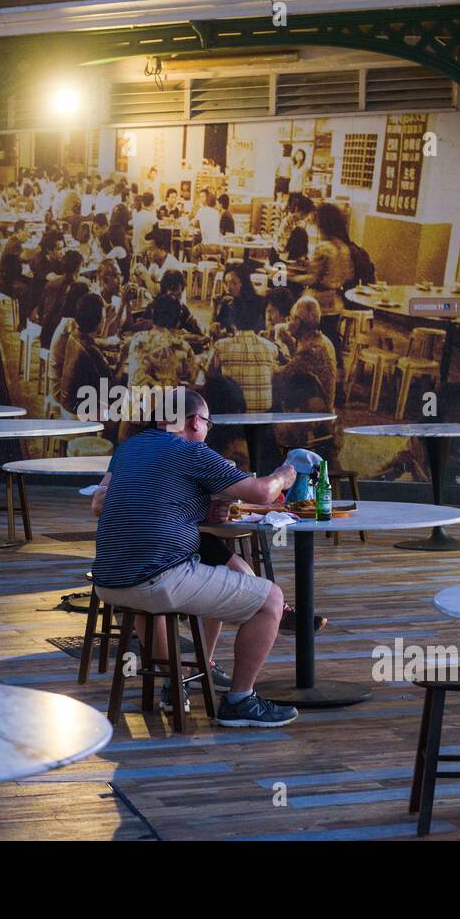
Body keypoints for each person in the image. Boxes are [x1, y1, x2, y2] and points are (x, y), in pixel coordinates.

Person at [90, 386, 320, 726]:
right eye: (209, 424)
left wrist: (195, 507)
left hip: (108, 581)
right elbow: (263, 492)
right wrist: (287, 470)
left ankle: (180, 679)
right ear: (196, 421)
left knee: (214, 565)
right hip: (157, 578)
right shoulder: (190, 452)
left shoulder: (128, 448)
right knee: (270, 598)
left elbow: (105, 501)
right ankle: (240, 701)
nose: (207, 432)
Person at [118, 294, 197, 442]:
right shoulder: (183, 347)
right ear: (177, 320)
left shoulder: (136, 340)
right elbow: (193, 383)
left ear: (153, 314)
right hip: (164, 426)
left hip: (132, 425)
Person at [210, 292, 285, 413]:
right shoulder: (271, 348)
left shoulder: (221, 346)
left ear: (232, 321)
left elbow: (209, 378)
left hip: (235, 422)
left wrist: (213, 341)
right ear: (257, 320)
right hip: (263, 424)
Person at [59, 292, 113, 416]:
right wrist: (124, 357)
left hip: (68, 403)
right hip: (82, 410)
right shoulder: (90, 350)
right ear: (98, 320)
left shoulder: (75, 335)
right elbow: (111, 386)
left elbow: (93, 342)